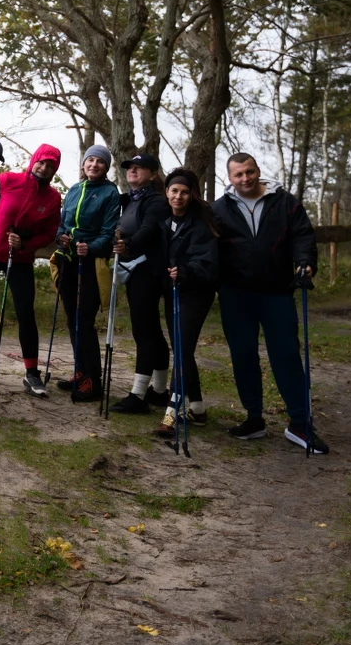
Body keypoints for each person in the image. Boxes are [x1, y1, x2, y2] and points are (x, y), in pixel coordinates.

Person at [212, 153, 324, 453]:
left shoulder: (285, 202)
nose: (245, 178)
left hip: (277, 292)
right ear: (230, 178)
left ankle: (300, 423)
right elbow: (207, 246)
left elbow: (303, 236)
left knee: (286, 354)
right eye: (239, 175)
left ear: (258, 171)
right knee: (243, 354)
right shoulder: (219, 210)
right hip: (236, 294)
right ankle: (254, 419)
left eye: (250, 172)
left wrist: (305, 263)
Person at [0, 144, 63, 397]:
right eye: (42, 162)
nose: (44, 168)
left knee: (26, 313)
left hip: (22, 259)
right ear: (33, 160)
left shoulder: (53, 198)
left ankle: (32, 373)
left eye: (50, 165)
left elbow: (50, 233)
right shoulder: (8, 180)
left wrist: (27, 242)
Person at [53, 144, 121, 403]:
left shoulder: (110, 192)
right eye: (90, 160)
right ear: (84, 164)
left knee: (85, 321)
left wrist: (90, 247)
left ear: (106, 167)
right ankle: (80, 371)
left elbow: (109, 231)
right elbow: (62, 224)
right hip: (68, 261)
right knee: (73, 321)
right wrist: (61, 238)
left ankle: (93, 381)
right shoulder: (74, 189)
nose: (94, 164)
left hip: (92, 264)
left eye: (100, 162)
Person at [154, 168, 219, 438]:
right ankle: (198, 408)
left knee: (181, 348)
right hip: (172, 292)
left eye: (184, 192)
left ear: (192, 195)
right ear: (167, 193)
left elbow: (206, 261)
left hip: (195, 293)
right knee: (182, 347)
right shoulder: (163, 220)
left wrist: (186, 272)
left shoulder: (201, 224)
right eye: (174, 191)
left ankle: (172, 412)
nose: (178, 196)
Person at [109, 154, 172, 415]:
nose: (133, 170)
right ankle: (158, 391)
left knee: (144, 331)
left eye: (140, 167)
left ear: (153, 174)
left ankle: (138, 394)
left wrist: (128, 244)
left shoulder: (156, 200)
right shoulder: (130, 200)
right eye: (130, 168)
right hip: (136, 271)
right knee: (151, 332)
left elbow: (149, 229)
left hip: (150, 272)